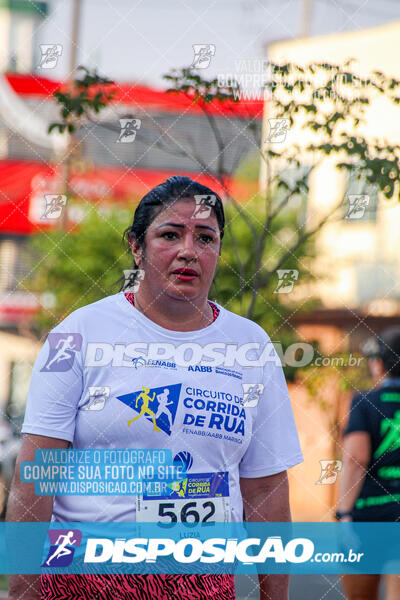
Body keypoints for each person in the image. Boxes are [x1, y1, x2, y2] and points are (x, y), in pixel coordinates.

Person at [7, 175, 303, 600]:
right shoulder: (81, 333)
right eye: (169, 234)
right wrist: (22, 591)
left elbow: (265, 487)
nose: (188, 251)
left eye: (205, 237)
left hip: (202, 584)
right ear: (136, 246)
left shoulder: (250, 346)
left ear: (218, 248)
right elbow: (36, 477)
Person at [337, 326, 400, 600]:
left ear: (378, 364)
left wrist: (343, 514)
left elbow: (355, 460)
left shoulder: (365, 402)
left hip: (369, 516)